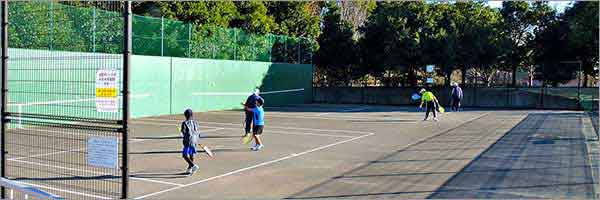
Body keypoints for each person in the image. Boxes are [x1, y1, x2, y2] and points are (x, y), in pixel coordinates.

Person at [180, 109, 200, 175]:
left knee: (185, 155)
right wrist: (197, 139)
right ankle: (189, 169)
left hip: (188, 141)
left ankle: (193, 166)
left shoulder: (184, 123)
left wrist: (182, 132)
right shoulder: (195, 122)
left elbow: (183, 132)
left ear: (185, 115)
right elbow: (198, 132)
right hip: (195, 140)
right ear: (192, 115)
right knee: (191, 154)